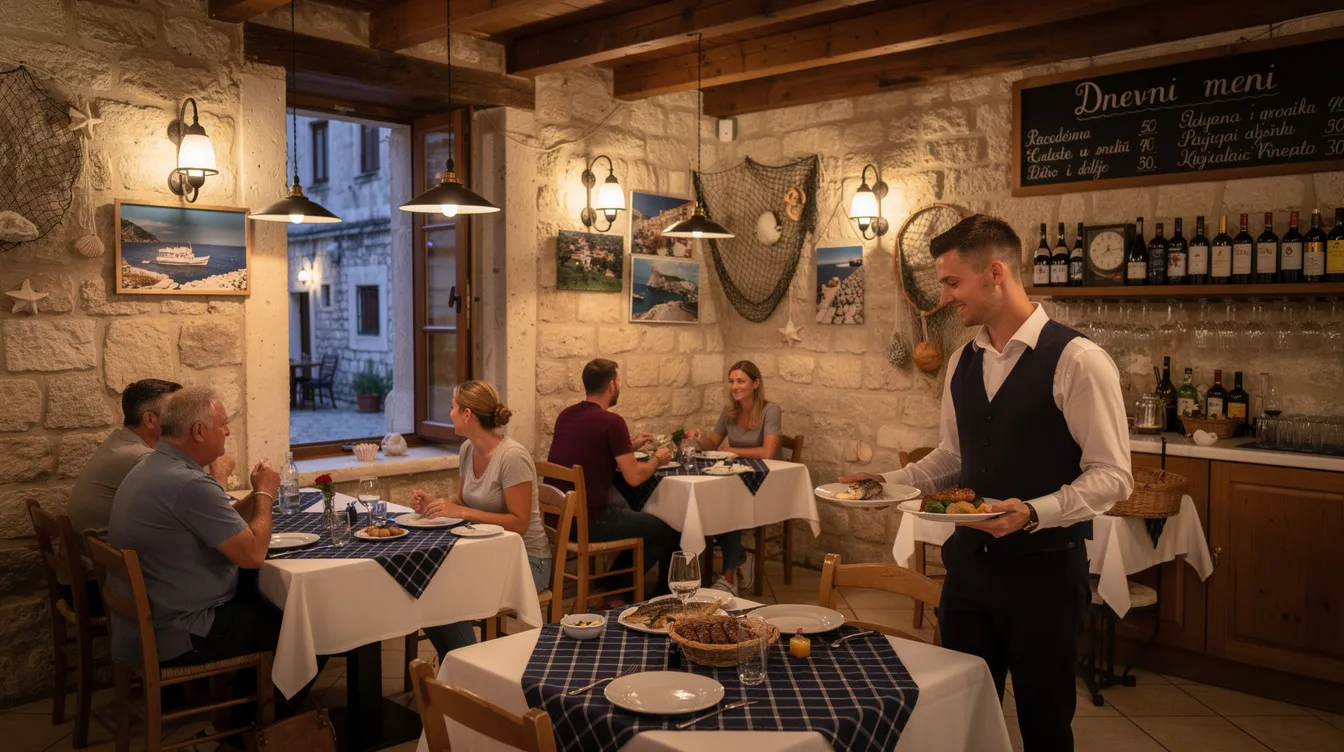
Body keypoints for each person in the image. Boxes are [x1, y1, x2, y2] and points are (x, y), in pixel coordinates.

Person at [840, 215, 1132, 752]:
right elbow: (952, 458)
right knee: (961, 718)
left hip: (1044, 577)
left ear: (995, 272)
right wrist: (882, 483)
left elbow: (1114, 477)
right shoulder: (960, 360)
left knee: (1045, 728)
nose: (945, 296)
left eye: (953, 282)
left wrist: (1034, 511)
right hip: (969, 574)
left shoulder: (1078, 360)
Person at [107, 387, 311, 722]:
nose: (228, 430)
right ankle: (249, 730)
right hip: (180, 631)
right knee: (300, 629)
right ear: (199, 432)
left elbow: (221, 520)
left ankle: (240, 716)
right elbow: (253, 555)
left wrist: (255, 499)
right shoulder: (189, 484)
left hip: (143, 622)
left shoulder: (153, 465)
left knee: (268, 604)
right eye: (223, 423)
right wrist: (264, 493)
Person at [408, 381, 551, 658]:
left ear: (467, 414)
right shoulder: (467, 450)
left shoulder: (512, 457)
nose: (448, 412)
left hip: (526, 561)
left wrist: (461, 512)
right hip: (486, 554)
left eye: (452, 407)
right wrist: (435, 505)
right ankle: (460, 666)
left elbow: (520, 523)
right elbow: (463, 503)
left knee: (451, 600)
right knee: (426, 586)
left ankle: (470, 669)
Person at [547, 358, 679, 601]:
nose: (619, 386)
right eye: (618, 381)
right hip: (590, 521)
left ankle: (605, 588)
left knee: (643, 522)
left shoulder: (566, 415)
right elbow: (634, 477)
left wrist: (630, 444)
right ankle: (621, 593)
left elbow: (592, 448)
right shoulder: (612, 421)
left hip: (558, 518)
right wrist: (658, 459)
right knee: (668, 530)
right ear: (611, 386)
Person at [684, 360, 781, 595]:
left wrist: (732, 451)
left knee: (728, 508)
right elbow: (713, 445)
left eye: (741, 381)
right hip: (737, 479)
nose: (735, 386)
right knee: (712, 505)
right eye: (731, 381)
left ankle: (729, 577)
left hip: (767, 482)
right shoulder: (730, 411)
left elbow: (768, 452)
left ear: (756, 383)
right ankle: (740, 559)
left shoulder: (771, 410)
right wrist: (701, 439)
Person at [68, 379, 182, 535]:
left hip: (93, 551)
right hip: (110, 556)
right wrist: (219, 473)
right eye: (176, 413)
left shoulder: (118, 440)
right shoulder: (141, 458)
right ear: (149, 420)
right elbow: (189, 516)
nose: (185, 419)